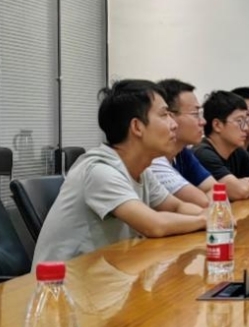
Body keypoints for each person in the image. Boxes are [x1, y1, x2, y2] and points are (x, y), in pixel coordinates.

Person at [32, 80, 206, 264]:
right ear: (137, 127)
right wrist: (204, 221)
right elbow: (154, 225)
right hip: (62, 279)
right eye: (164, 115)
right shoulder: (100, 171)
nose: (174, 124)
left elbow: (177, 207)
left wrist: (211, 215)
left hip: (104, 273)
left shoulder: (142, 171)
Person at [149, 79, 217, 207]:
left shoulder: (182, 152)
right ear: (170, 116)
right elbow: (202, 202)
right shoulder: (153, 161)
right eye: (196, 114)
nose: (203, 121)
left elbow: (215, 190)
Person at [193, 90, 249, 200]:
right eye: (239, 121)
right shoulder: (203, 153)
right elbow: (239, 192)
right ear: (217, 125)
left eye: (245, 121)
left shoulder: (236, 149)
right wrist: (246, 182)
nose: (245, 128)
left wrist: (242, 184)